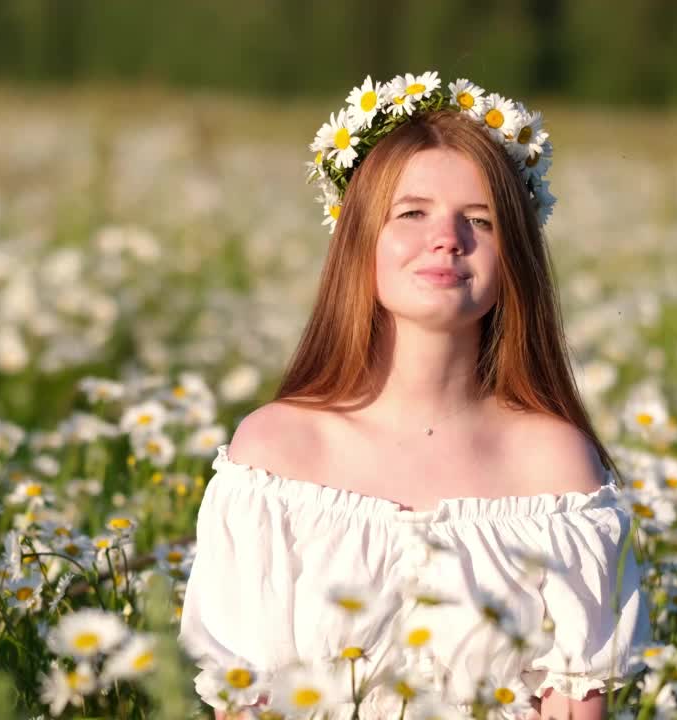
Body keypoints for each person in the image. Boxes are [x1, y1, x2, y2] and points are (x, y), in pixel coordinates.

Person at [178, 73, 651, 720]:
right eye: (412, 212)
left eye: (479, 220)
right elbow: (243, 703)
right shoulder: (275, 455)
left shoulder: (555, 467)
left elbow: (574, 705)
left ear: (514, 254)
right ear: (358, 238)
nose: (447, 237)